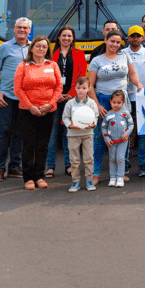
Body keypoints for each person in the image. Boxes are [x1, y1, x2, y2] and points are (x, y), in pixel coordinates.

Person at [87, 30, 144, 185]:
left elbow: (132, 74)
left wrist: (138, 84)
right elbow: (90, 85)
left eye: (118, 42)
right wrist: (97, 105)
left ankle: (121, 171)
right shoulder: (97, 60)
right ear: (105, 40)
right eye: (112, 41)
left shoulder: (124, 56)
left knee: (123, 136)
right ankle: (96, 172)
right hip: (104, 101)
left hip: (122, 101)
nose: (115, 45)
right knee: (100, 137)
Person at [14, 36, 63, 190]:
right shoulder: (23, 66)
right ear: (32, 48)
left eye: (44, 46)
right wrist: (30, 107)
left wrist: (50, 104)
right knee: (29, 145)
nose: (41, 49)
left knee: (43, 145)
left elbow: (58, 88)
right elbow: (18, 89)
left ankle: (39, 176)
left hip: (49, 111)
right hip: (28, 111)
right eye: (38, 46)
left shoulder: (53, 65)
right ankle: (28, 178)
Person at [0, 17, 31, 182]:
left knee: (20, 134)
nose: (22, 30)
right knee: (3, 134)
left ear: (29, 30)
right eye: (19, 27)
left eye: (25, 28)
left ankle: (14, 167)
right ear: (14, 29)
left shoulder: (33, 48)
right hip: (6, 98)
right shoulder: (4, 48)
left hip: (24, 99)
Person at [46, 26, 87, 179]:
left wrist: (71, 94)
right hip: (54, 100)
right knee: (53, 133)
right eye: (64, 36)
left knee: (68, 134)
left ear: (73, 38)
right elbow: (47, 78)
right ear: (59, 37)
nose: (66, 39)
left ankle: (69, 165)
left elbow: (82, 76)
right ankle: (50, 166)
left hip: (71, 100)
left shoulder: (79, 54)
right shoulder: (50, 55)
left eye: (69, 36)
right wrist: (57, 95)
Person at [123, 25, 145, 177]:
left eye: (138, 36)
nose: (136, 39)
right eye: (133, 36)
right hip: (125, 98)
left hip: (143, 97)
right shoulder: (122, 53)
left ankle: (142, 165)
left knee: (143, 133)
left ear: (143, 37)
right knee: (125, 132)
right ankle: (124, 164)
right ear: (128, 38)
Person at [62, 76, 98, 192]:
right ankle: (75, 181)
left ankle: (89, 180)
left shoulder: (92, 103)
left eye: (84, 88)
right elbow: (65, 117)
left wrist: (93, 124)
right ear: (75, 89)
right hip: (73, 135)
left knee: (89, 158)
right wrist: (69, 125)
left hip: (88, 134)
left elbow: (95, 116)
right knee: (74, 159)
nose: (81, 90)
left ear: (89, 88)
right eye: (79, 88)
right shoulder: (70, 103)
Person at [101, 90, 132, 188]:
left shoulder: (125, 113)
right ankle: (112, 177)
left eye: (119, 103)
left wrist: (127, 133)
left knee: (120, 158)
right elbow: (104, 127)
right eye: (114, 102)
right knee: (112, 159)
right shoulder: (108, 114)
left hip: (123, 141)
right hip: (112, 142)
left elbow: (131, 124)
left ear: (123, 102)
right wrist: (106, 139)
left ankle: (120, 177)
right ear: (110, 102)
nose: (116, 105)